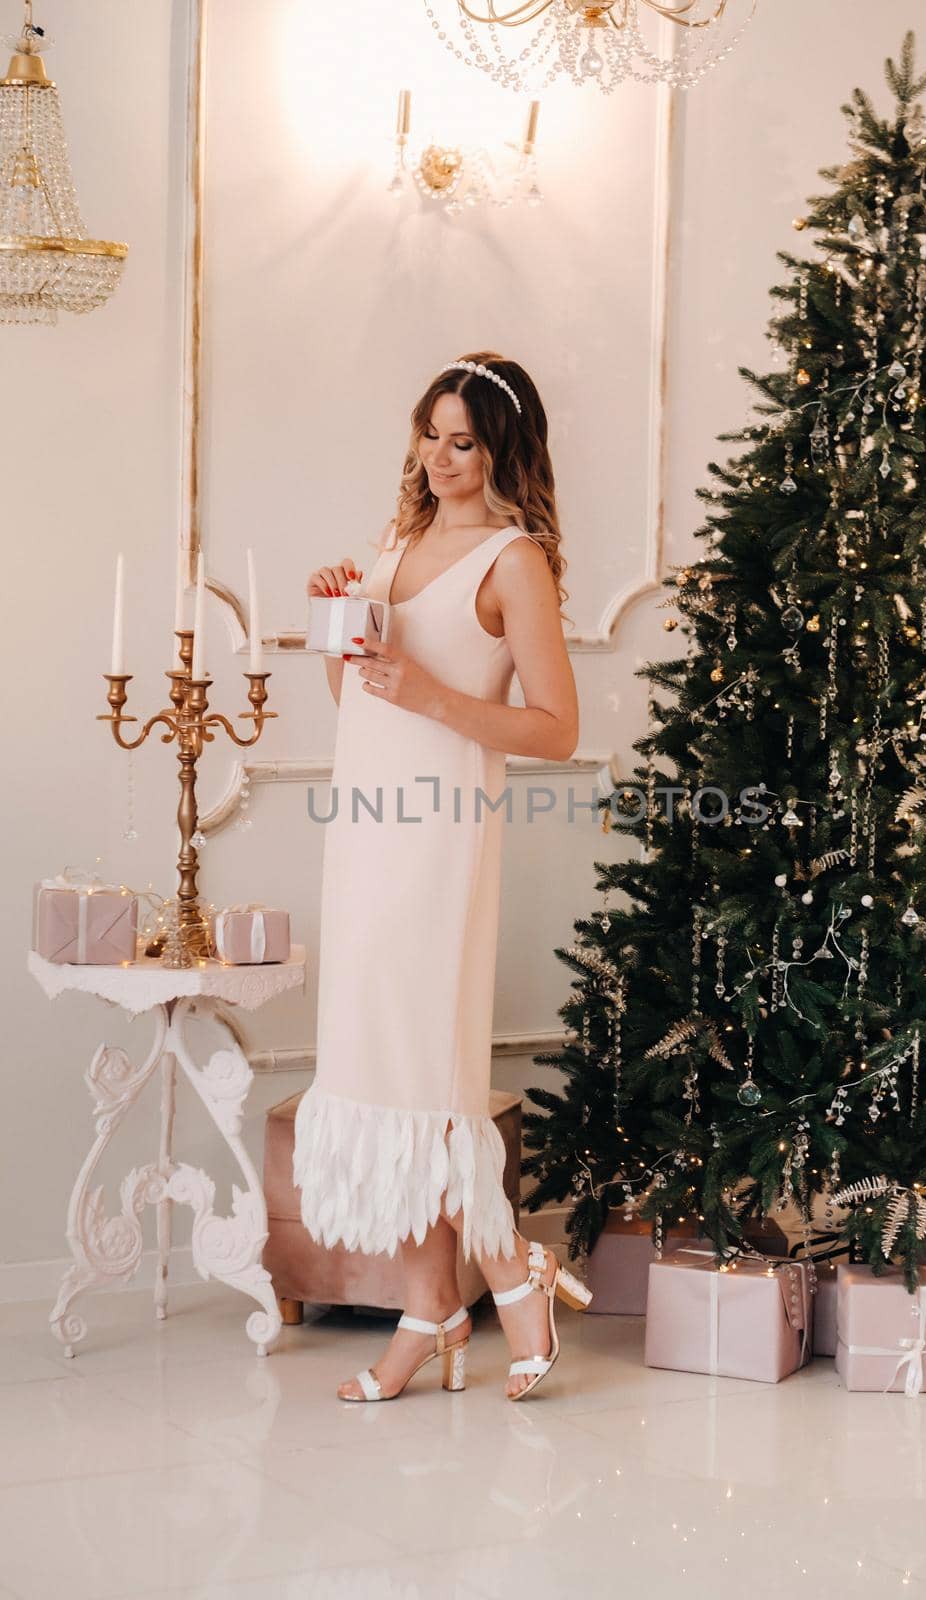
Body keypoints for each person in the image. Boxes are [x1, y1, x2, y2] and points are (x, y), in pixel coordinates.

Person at [297, 352, 593, 1402]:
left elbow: (555, 728)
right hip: (365, 831)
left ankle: (511, 1277)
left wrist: (421, 688)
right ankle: (432, 1307)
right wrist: (342, 631)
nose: (438, 456)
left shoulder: (514, 561)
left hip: (439, 834)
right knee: (385, 1066)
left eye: (461, 439)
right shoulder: (394, 545)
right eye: (429, 433)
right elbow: (360, 707)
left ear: (502, 446)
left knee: (429, 1067)